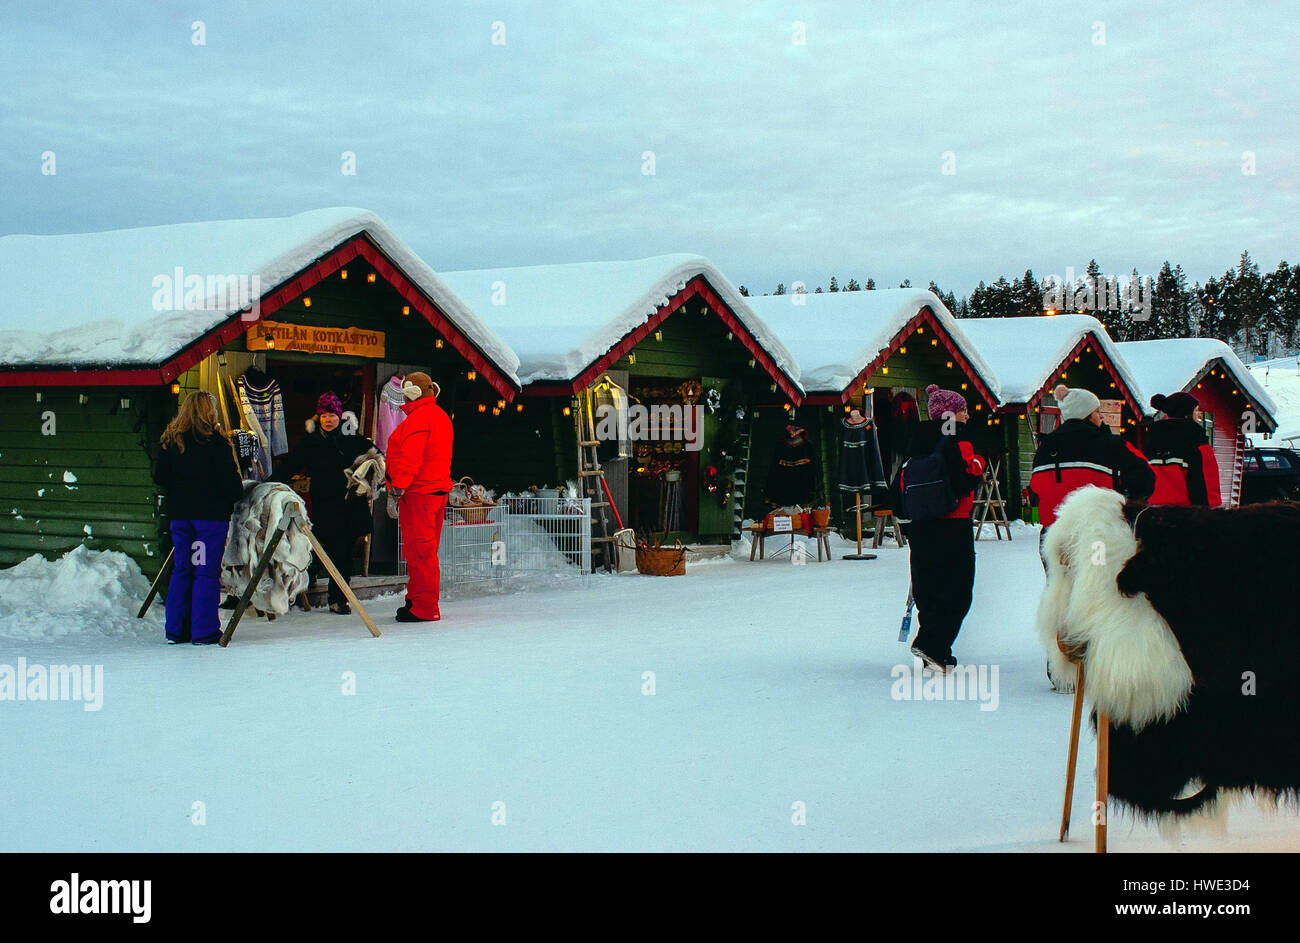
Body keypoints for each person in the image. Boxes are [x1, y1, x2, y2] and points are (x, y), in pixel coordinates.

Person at [1030, 388, 1156, 691]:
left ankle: (1060, 667)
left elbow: (1035, 490)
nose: (1101, 416)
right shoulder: (1108, 443)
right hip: (1096, 538)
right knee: (1098, 595)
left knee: (1061, 593)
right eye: (1098, 411)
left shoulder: (1046, 447)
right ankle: (1097, 665)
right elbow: (1145, 475)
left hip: (1055, 538)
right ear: (1089, 415)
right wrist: (1126, 503)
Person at [901, 384, 987, 673]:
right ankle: (933, 645)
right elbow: (965, 482)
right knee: (958, 590)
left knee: (929, 587)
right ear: (951, 414)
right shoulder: (957, 440)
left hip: (921, 527)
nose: (967, 416)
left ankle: (935, 649)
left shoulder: (915, 442)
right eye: (963, 410)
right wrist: (979, 462)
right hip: (953, 524)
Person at [152, 391, 244, 645]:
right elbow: (233, 487)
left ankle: (176, 629)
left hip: (181, 517)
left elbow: (160, 477)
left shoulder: (171, 440)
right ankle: (203, 630)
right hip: (209, 519)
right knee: (205, 572)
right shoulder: (216, 443)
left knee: (183, 570)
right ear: (209, 411)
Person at [272, 392, 376, 615]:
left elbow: (376, 458)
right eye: (324, 415)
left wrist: (367, 479)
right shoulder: (312, 442)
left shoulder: (351, 439)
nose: (328, 420)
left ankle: (338, 599)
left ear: (340, 416)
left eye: (332, 415)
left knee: (344, 552)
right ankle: (303, 583)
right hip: (324, 504)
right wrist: (270, 483)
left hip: (349, 504)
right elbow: (291, 465)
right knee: (321, 547)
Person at [384, 372, 453, 623]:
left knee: (420, 552)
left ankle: (424, 607)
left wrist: (397, 487)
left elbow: (410, 458)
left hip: (419, 493)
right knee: (424, 550)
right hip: (433, 492)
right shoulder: (439, 416)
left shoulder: (419, 419)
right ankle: (416, 600)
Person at [1143, 392, 1221, 507]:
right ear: (1186, 415)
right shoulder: (1197, 441)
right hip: (1185, 514)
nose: (1199, 415)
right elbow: (1206, 483)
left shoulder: (1151, 440)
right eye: (1195, 411)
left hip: (1153, 511)